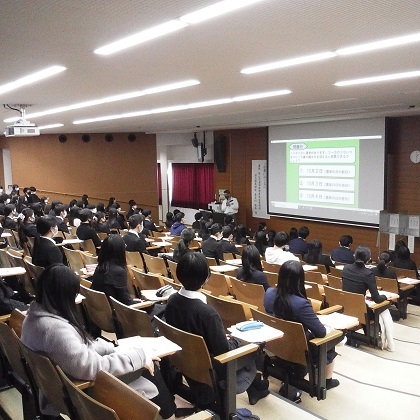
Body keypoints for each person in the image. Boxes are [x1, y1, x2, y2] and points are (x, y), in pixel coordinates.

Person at [21, 264, 176, 419]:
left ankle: (167, 412)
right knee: (149, 366)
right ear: (64, 296)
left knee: (142, 360)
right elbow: (91, 367)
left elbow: (76, 352)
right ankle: (168, 415)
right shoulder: (54, 330)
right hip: (83, 393)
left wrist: (112, 348)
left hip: (64, 386)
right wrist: (138, 357)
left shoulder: (33, 319)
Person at [165, 253, 269, 406]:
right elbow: (224, 351)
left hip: (185, 360)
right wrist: (237, 341)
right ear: (206, 278)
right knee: (256, 346)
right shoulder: (207, 313)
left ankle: (256, 387)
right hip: (211, 367)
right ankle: (255, 387)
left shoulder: (171, 301)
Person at [264, 260, 340, 390]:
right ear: (300, 280)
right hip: (299, 349)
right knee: (330, 340)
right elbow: (321, 332)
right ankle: (327, 381)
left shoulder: (269, 292)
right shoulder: (301, 304)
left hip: (276, 343)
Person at [342, 246, 395, 351]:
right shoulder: (368, 274)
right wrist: (386, 296)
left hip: (345, 307)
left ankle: (370, 337)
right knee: (382, 311)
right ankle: (374, 339)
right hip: (361, 310)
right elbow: (377, 299)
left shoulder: (346, 268)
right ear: (369, 259)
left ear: (354, 256)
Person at [91, 235, 141, 305]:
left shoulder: (100, 267)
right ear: (120, 251)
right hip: (117, 309)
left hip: (103, 306)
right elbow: (126, 301)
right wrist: (140, 302)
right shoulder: (119, 272)